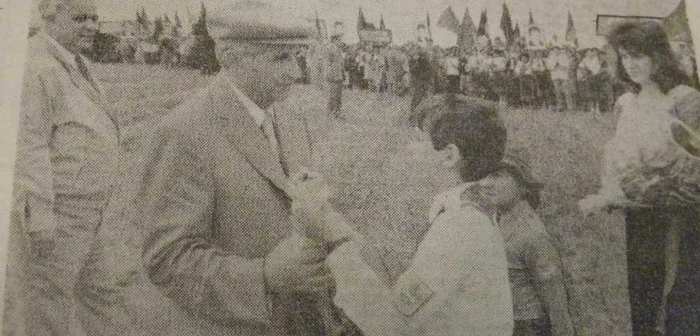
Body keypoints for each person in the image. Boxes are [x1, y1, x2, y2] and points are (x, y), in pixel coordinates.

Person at [100, 62, 355, 334]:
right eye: (280, 57)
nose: (295, 70)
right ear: (233, 57)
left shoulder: (288, 115)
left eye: (297, 55)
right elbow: (166, 259)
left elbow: (291, 200)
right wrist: (263, 277)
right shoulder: (182, 132)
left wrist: (335, 232)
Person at [292, 95, 514, 335]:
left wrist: (333, 242)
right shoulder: (466, 210)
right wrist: (335, 225)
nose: (407, 147)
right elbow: (402, 290)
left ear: (449, 156)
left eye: (418, 139)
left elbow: (390, 323)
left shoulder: (460, 228)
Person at [8, 0, 122, 334]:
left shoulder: (75, 62)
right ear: (48, 17)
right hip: (60, 214)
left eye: (94, 18)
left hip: (91, 211)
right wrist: (41, 218)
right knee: (48, 306)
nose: (91, 25)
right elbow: (28, 145)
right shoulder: (35, 67)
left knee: (102, 295)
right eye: (80, 18)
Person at [579, 21, 700, 335]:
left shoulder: (684, 99)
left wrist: (623, 195)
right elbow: (620, 161)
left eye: (637, 56)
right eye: (623, 57)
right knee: (642, 298)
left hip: (679, 218)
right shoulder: (627, 103)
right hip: (637, 218)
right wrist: (613, 191)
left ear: (658, 56)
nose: (630, 64)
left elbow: (693, 164)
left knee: (675, 300)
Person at [472, 148, 575, 336]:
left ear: (523, 185)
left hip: (526, 327)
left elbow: (554, 296)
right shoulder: (494, 220)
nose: (485, 183)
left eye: (496, 175)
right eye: (483, 175)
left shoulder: (531, 233)